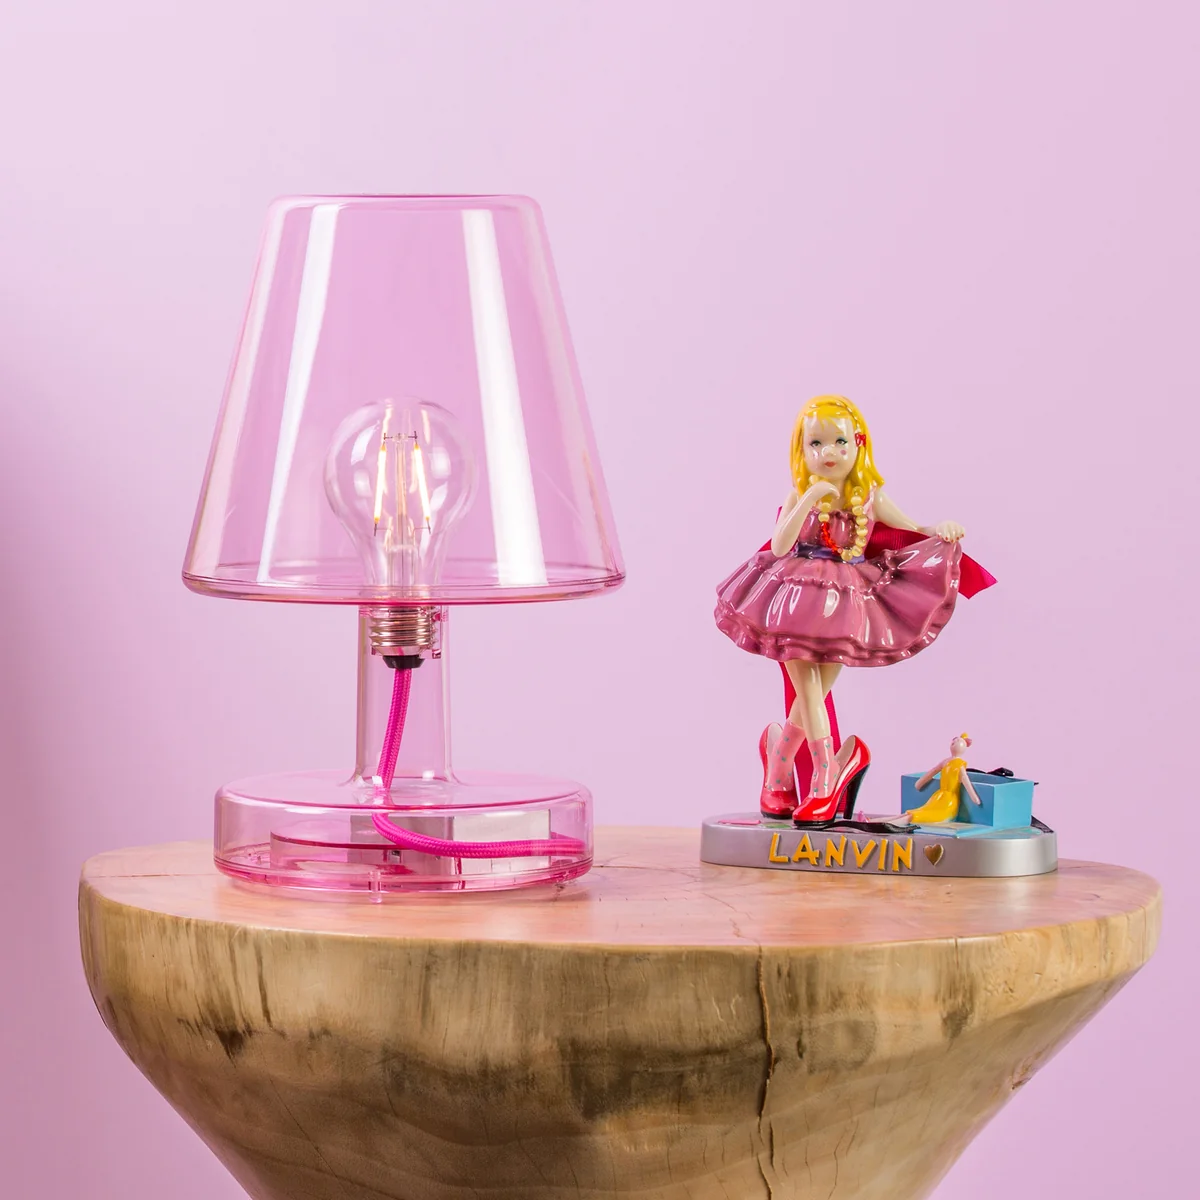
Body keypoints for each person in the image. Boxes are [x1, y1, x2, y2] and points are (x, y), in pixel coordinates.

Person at [715, 394, 991, 825]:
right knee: (809, 688)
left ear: (858, 444)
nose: (829, 452)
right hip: (795, 596)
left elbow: (912, 528)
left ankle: (778, 761)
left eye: (840, 441)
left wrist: (941, 529)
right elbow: (780, 545)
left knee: (814, 690)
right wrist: (809, 497)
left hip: (845, 603)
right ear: (802, 450)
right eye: (817, 443)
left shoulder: (869, 497)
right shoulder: (800, 493)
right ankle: (825, 778)